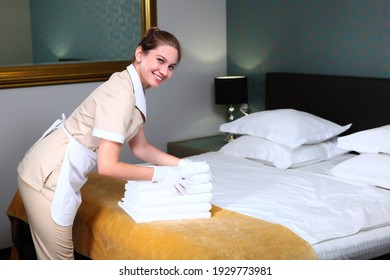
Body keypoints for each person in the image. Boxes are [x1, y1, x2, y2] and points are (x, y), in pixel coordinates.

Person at [17, 27, 191, 260]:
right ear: (140, 53)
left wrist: (184, 166)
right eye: (160, 60)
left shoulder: (132, 86)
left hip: (51, 166)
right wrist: (159, 175)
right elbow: (107, 166)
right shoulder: (123, 94)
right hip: (47, 175)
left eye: (171, 66)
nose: (164, 71)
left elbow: (141, 148)